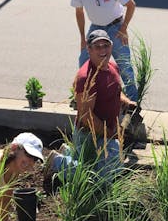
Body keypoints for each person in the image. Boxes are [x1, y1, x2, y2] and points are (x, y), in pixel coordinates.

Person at [46, 29, 136, 178]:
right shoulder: (86, 78)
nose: (102, 50)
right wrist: (109, 134)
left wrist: (126, 101)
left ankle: (67, 153)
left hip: (106, 130)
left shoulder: (112, 67)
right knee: (101, 175)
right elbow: (86, 116)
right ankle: (57, 162)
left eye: (105, 45)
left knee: (101, 166)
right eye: (97, 46)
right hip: (90, 134)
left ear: (111, 46)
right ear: (89, 49)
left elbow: (115, 90)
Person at [71, 0, 137, 102]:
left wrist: (124, 28)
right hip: (95, 28)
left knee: (124, 64)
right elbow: (79, 12)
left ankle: (133, 102)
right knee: (84, 60)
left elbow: (131, 4)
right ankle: (85, 96)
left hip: (116, 26)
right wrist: (82, 38)